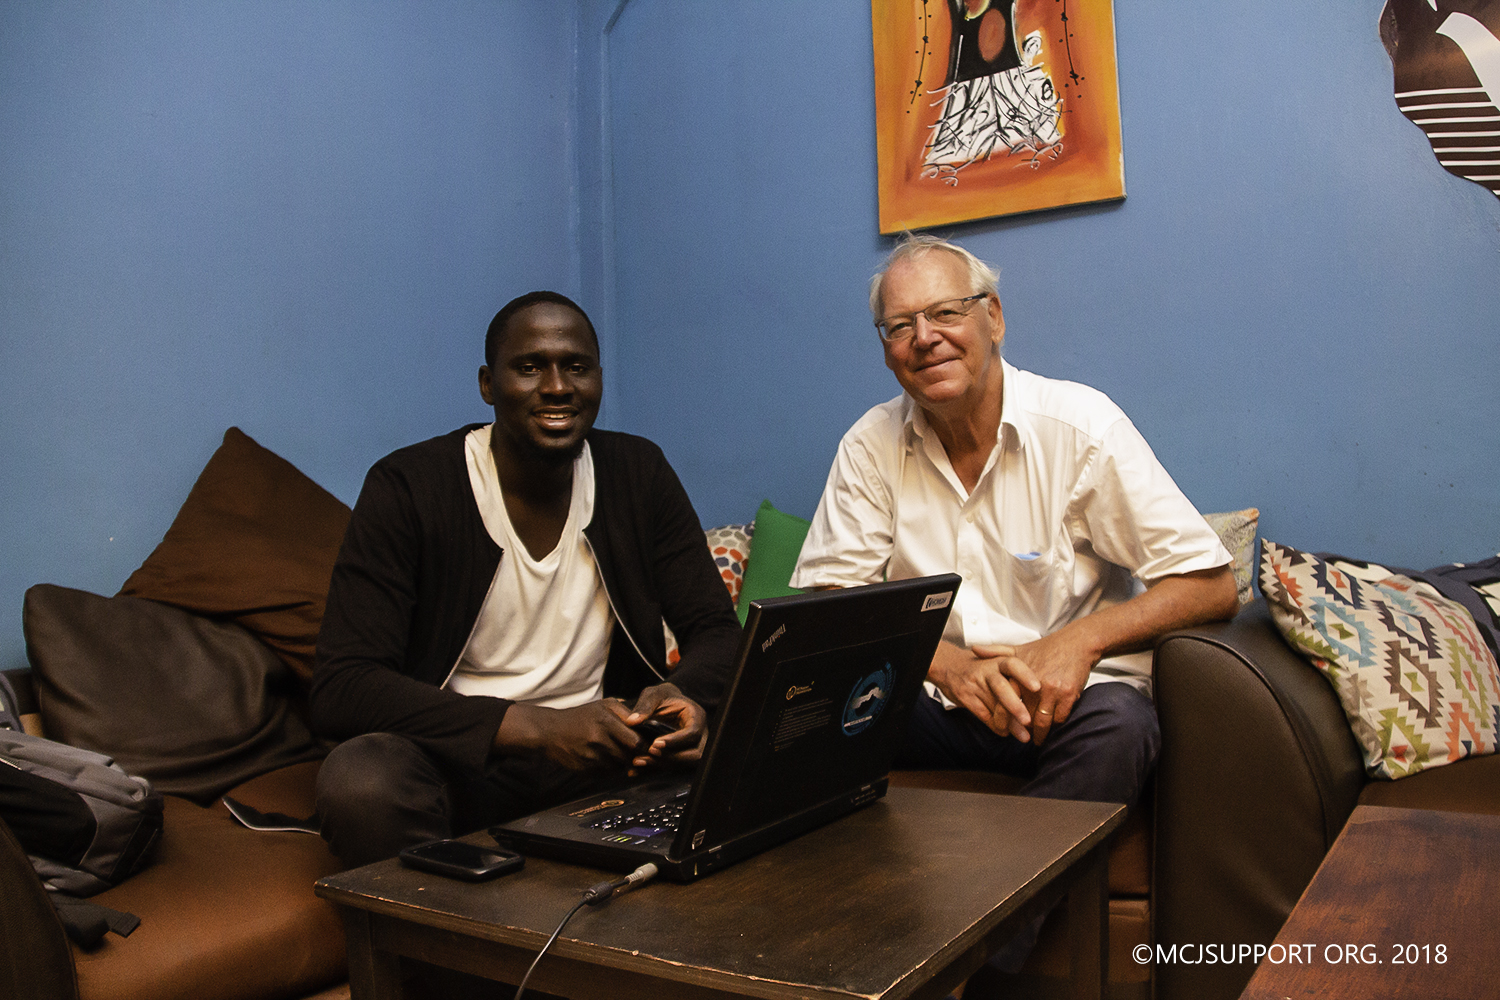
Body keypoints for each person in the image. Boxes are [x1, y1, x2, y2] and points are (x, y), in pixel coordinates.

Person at [790, 236, 1238, 964]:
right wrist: (951, 668)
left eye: (944, 312)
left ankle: (967, 963)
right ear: (885, 350)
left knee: (1123, 726)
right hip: (929, 701)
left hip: (1063, 704)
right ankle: (800, 955)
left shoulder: (1081, 427)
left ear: (993, 317)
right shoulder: (871, 446)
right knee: (797, 717)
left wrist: (1078, 642)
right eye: (900, 326)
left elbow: (1211, 585)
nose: (924, 338)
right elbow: (826, 604)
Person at [309, 291, 740, 869]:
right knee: (361, 782)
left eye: (577, 367)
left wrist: (684, 693)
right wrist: (536, 726)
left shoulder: (639, 473)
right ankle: (442, 949)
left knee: (783, 740)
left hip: (608, 755)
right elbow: (344, 685)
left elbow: (716, 630)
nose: (558, 386)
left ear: (599, 381)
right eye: (530, 366)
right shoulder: (409, 487)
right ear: (488, 384)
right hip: (459, 760)